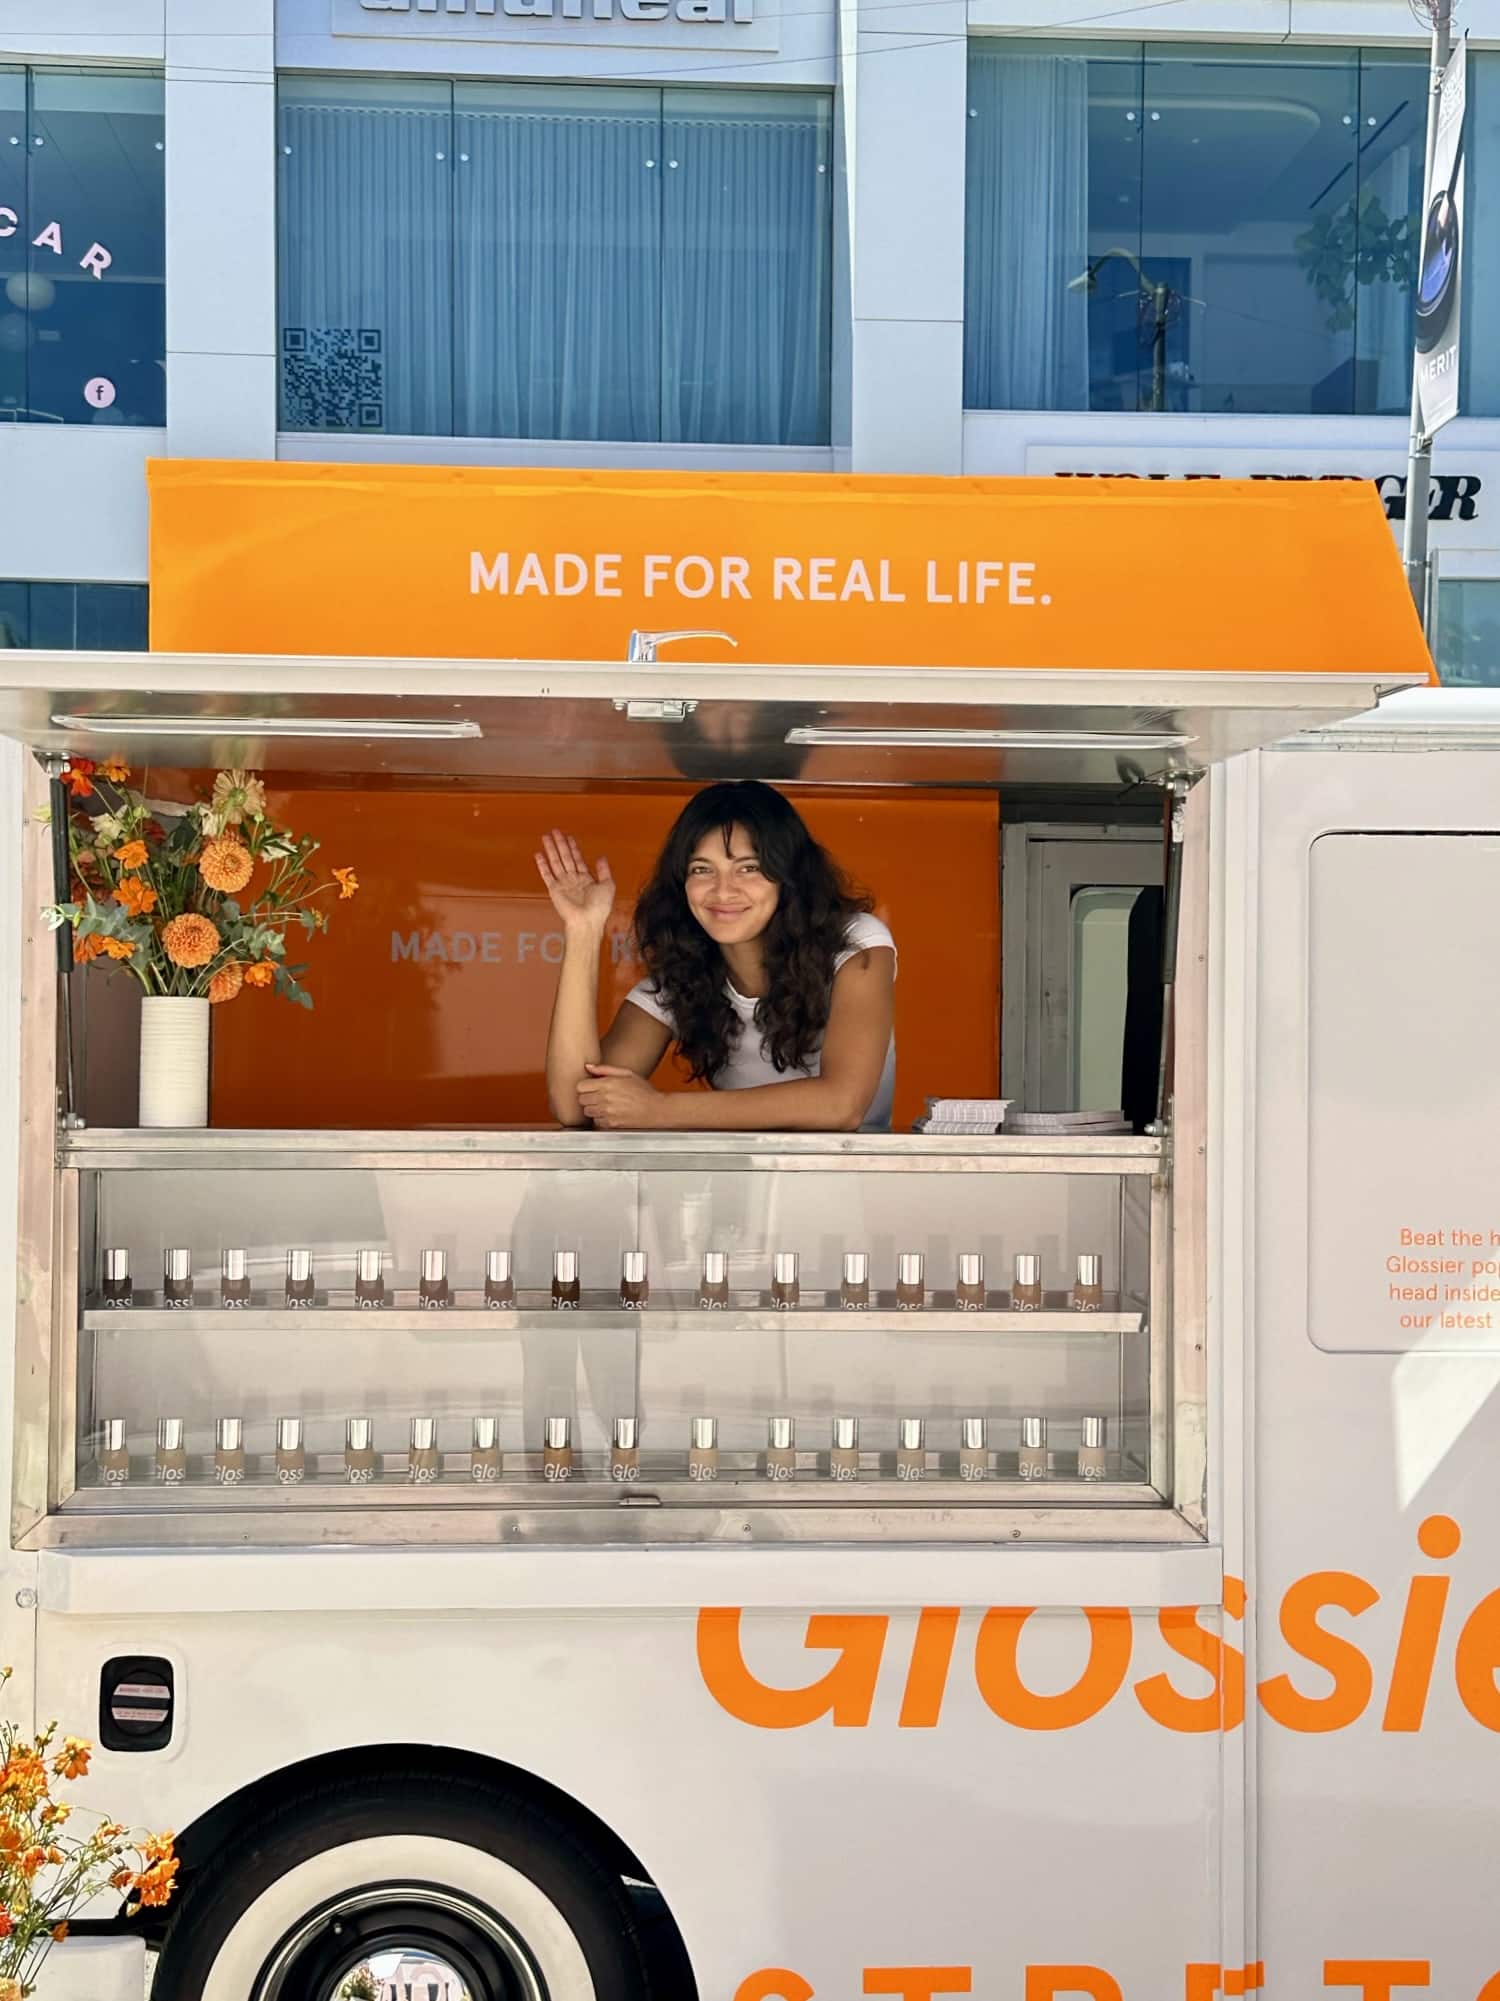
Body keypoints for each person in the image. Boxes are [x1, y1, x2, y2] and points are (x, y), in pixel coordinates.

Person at [537, 781, 896, 1132]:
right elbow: (574, 1106)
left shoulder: (855, 944)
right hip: (741, 1184)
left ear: (788, 877)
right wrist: (583, 930)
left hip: (855, 1184)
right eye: (702, 870)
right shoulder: (679, 980)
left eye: (748, 868)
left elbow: (840, 1105)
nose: (723, 891)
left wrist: (660, 1110)